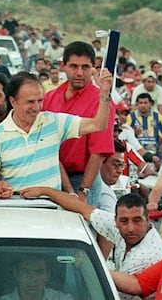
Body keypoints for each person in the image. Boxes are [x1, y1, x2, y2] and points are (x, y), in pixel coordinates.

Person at [0, 68, 113, 199]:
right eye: (30, 102)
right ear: (13, 101)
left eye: (39, 101)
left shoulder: (53, 122)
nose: (36, 107)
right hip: (15, 210)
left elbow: (98, 125)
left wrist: (104, 93)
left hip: (52, 209)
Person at [19, 190, 162, 300]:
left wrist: (87, 266)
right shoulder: (120, 227)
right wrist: (46, 191)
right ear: (115, 221)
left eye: (137, 220)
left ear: (148, 219)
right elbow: (81, 208)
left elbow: (112, 291)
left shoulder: (148, 255)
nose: (130, 228)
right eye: (124, 221)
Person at [42, 41, 115, 206]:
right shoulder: (50, 97)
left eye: (85, 67)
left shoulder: (102, 102)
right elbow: (46, 143)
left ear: (93, 67)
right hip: (51, 175)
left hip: (83, 180)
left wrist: (83, 191)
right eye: (74, 66)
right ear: (63, 66)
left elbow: (98, 152)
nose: (79, 73)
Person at [0, 255, 73, 300]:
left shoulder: (62, 299)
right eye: (25, 272)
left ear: (47, 275)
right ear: (16, 274)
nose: (32, 279)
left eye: (39, 272)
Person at [126, 93, 162, 167]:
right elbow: (126, 134)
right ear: (137, 104)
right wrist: (133, 133)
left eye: (145, 103)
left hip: (155, 152)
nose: (143, 105)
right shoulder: (131, 117)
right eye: (140, 103)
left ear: (151, 104)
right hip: (137, 152)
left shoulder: (157, 116)